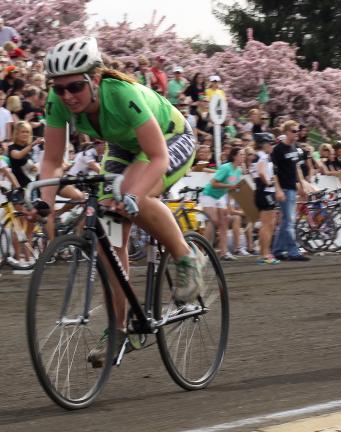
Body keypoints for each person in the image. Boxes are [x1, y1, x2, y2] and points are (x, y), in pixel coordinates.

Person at [38, 36, 205, 368]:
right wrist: (44, 206)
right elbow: (52, 160)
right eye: (60, 89)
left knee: (132, 197)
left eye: (75, 86)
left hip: (171, 138)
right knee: (108, 240)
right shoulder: (57, 102)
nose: (67, 96)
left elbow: (156, 157)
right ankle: (121, 329)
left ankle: (188, 259)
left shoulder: (122, 94)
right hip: (124, 146)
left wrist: (132, 195)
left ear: (95, 79)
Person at [272, 120, 310, 261]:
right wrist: (278, 190)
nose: (296, 133)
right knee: (289, 222)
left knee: (286, 221)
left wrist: (302, 184)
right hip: (284, 189)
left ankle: (277, 250)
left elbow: (297, 168)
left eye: (297, 131)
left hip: (292, 188)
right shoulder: (278, 150)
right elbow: (274, 172)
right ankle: (293, 252)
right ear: (286, 132)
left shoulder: (294, 148)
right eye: (294, 131)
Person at [200, 146, 245, 261]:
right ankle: (202, 251)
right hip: (209, 194)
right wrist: (229, 186)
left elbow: (232, 189)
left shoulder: (238, 171)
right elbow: (214, 183)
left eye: (244, 155)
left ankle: (224, 252)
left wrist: (228, 203)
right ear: (234, 156)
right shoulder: (226, 167)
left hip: (219, 197)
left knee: (223, 223)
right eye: (241, 155)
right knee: (213, 221)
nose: (243, 157)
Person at [251, 132, 281, 264]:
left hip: (262, 192)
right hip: (265, 192)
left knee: (269, 224)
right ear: (263, 144)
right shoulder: (262, 157)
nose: (272, 146)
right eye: (271, 143)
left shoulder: (259, 156)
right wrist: (269, 183)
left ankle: (265, 254)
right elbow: (262, 173)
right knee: (267, 225)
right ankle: (264, 254)